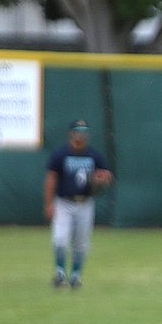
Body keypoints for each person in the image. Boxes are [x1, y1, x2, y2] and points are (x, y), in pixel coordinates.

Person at [43, 119, 113, 289]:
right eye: (77, 131)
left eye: (84, 132)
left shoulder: (94, 156)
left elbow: (107, 176)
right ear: (71, 134)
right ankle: (60, 273)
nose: (81, 135)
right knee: (60, 239)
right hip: (63, 202)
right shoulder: (60, 154)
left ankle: (75, 275)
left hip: (85, 203)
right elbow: (51, 178)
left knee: (81, 242)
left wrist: (103, 179)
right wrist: (48, 204)